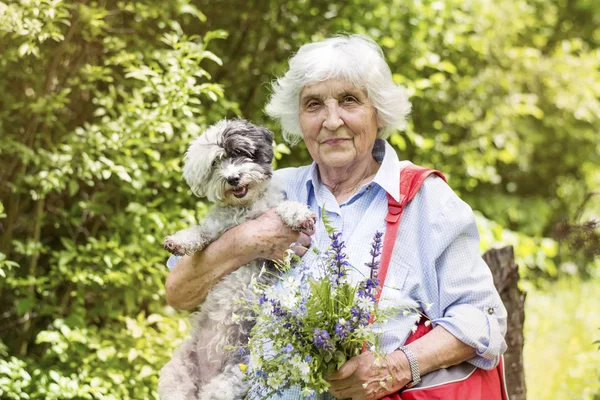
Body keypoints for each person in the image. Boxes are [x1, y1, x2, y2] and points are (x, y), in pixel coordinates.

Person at [165, 34, 507, 400]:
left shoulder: (426, 201)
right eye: (313, 104)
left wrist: (394, 367)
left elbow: (483, 319)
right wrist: (247, 240)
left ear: (378, 110)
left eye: (349, 100)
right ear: (297, 119)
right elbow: (180, 292)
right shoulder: (267, 189)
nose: (331, 121)